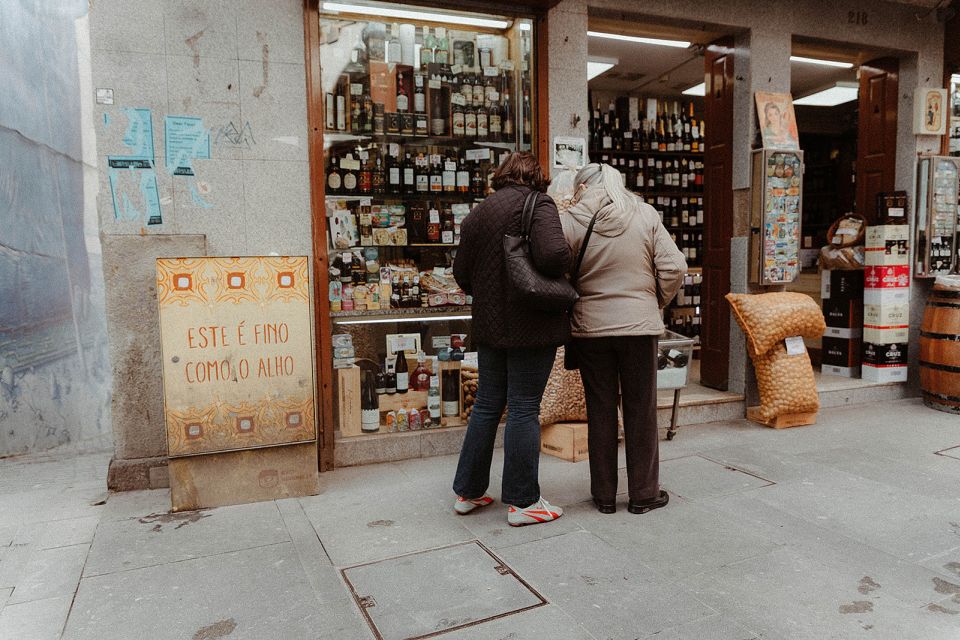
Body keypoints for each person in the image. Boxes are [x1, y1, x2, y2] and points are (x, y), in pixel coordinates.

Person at [451, 152, 571, 527]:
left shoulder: (479, 212)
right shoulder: (539, 204)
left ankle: (468, 492)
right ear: (536, 176)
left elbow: (461, 273)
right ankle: (523, 501)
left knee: (487, 403)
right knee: (523, 407)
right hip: (532, 324)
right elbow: (554, 256)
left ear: (502, 176)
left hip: (489, 326)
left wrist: (489, 295)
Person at [561, 163, 686, 514]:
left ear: (582, 187)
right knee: (641, 409)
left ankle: (603, 496)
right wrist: (653, 300)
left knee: (600, 410)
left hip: (591, 330)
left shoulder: (571, 219)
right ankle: (644, 495)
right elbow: (675, 267)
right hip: (638, 328)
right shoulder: (644, 214)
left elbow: (558, 268)